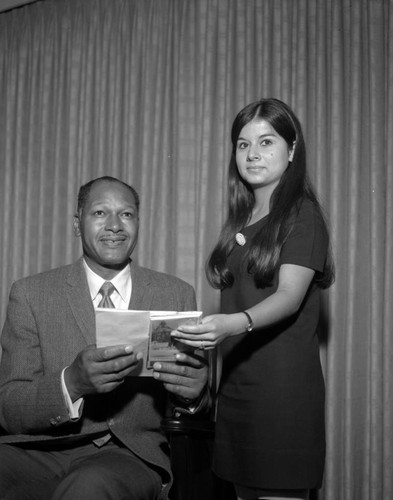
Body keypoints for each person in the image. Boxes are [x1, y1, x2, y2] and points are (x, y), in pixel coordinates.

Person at [0, 176, 209, 500]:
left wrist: (193, 396)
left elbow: (189, 401)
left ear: (138, 223)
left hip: (130, 454)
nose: (114, 225)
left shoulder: (176, 294)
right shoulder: (31, 294)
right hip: (41, 449)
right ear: (76, 224)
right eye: (100, 213)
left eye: (126, 214)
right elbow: (10, 408)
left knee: (90, 485)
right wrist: (72, 383)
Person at [172, 98, 335, 500]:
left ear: (292, 149)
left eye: (266, 142)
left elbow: (288, 297)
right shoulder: (241, 218)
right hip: (237, 387)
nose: (253, 154)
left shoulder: (303, 215)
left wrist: (231, 324)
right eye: (243, 145)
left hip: (282, 392)